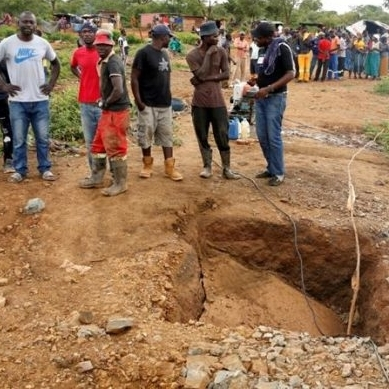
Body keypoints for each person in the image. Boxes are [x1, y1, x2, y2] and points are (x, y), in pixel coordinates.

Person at [0, 11, 60, 183]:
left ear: (35, 25)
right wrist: (3, 85)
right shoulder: (7, 43)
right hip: (17, 102)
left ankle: (45, 169)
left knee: (42, 138)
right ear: (18, 23)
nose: (28, 25)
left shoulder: (42, 43)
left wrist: (51, 84)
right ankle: (20, 170)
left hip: (40, 100)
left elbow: (56, 63)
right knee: (19, 140)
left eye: (31, 22)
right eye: (25, 22)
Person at [79, 29, 131, 196]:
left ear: (111, 45)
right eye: (98, 45)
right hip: (109, 110)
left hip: (116, 110)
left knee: (116, 147)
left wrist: (104, 101)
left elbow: (118, 89)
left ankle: (120, 183)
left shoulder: (113, 62)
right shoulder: (105, 61)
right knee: (98, 145)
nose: (100, 47)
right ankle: (97, 177)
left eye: (104, 45)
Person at [186, 20, 240, 180]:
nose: (217, 38)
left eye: (217, 35)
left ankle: (226, 168)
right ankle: (207, 166)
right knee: (202, 135)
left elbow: (226, 74)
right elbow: (200, 75)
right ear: (204, 37)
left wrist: (205, 78)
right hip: (200, 102)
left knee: (222, 134)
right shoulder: (192, 55)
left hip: (217, 101)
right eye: (214, 35)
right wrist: (209, 55)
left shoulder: (222, 52)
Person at [130, 24, 183, 181]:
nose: (170, 39)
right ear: (162, 37)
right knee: (145, 134)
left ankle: (169, 167)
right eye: (169, 37)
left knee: (167, 135)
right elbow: (134, 78)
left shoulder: (165, 54)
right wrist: (139, 101)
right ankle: (147, 165)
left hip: (165, 103)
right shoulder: (143, 53)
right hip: (148, 103)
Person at [251, 22, 295, 186]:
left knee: (273, 136)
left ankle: (278, 173)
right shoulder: (263, 50)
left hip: (275, 98)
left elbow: (291, 73)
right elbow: (265, 70)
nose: (255, 40)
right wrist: (256, 80)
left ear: (267, 37)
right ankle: (271, 167)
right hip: (261, 97)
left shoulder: (282, 47)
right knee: (262, 135)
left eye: (258, 37)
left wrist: (269, 88)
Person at [70, 22, 102, 172]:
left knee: (104, 140)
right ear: (80, 35)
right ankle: (94, 173)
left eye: (90, 31)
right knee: (90, 142)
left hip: (102, 103)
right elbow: (72, 66)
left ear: (95, 34)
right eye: (84, 32)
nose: (87, 34)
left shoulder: (103, 51)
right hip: (85, 103)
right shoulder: (78, 53)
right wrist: (81, 77)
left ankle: (108, 172)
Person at [0, 59, 14, 173]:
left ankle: (9, 159)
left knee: (7, 131)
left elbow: (10, 76)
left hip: (1, 100)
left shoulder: (2, 57)